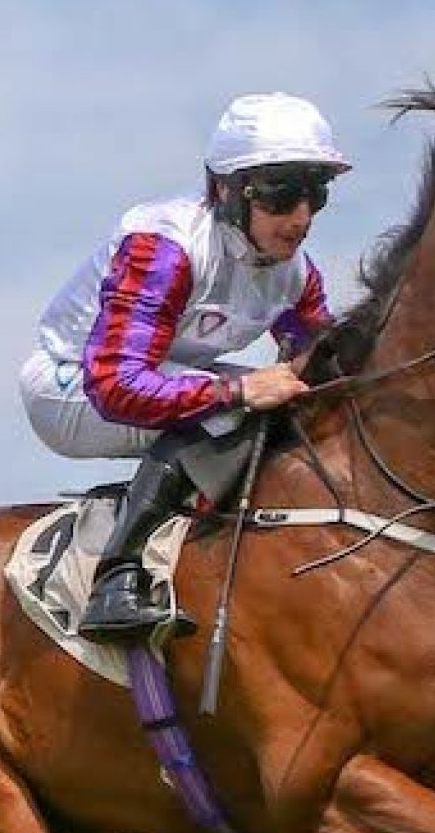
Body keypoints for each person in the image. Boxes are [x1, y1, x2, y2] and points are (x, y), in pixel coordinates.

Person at [19, 93, 349, 642]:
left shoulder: (296, 273)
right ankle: (114, 580)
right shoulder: (165, 248)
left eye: (315, 194)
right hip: (74, 383)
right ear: (226, 189)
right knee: (230, 412)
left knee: (291, 407)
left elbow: (313, 361)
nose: (301, 218)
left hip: (158, 373)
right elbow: (117, 385)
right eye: (282, 194)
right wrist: (237, 391)